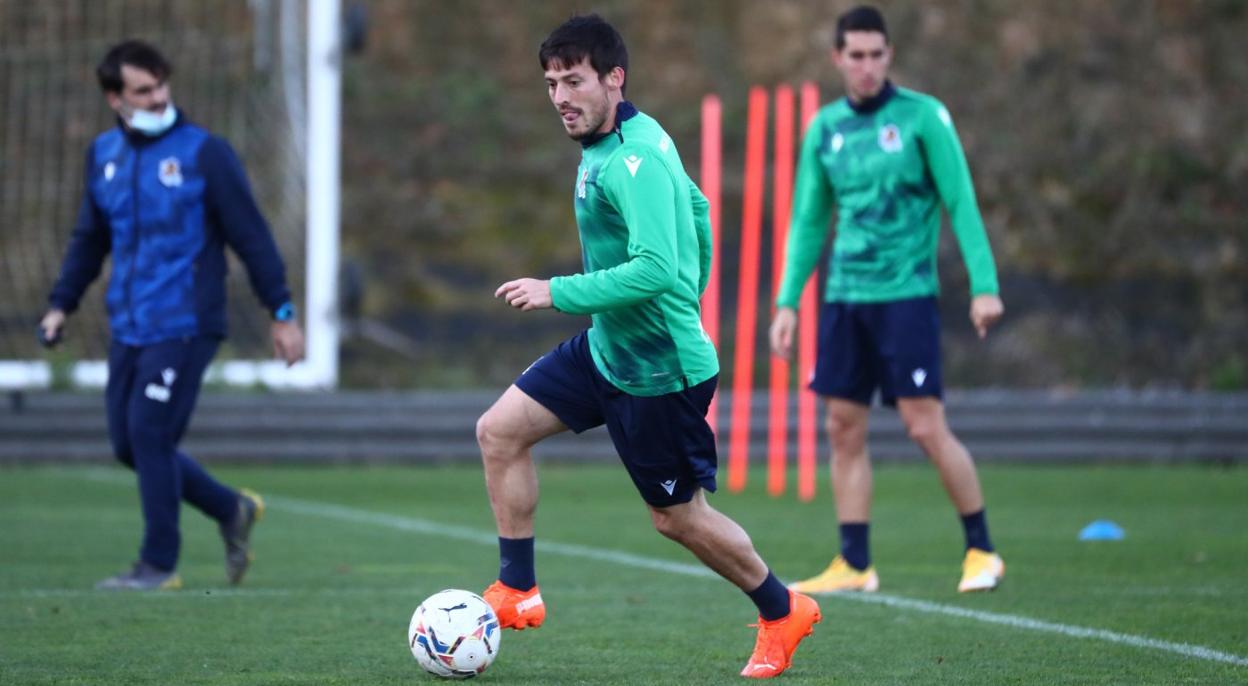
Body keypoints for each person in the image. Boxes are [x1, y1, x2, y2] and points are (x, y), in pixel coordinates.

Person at [478, 15, 820, 678]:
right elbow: (697, 211)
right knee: (499, 432)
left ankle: (784, 610)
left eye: (573, 81)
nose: (560, 97)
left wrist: (561, 291)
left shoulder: (631, 161)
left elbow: (657, 267)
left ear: (614, 78)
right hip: (611, 348)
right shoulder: (629, 138)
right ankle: (518, 592)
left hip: (660, 372)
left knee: (677, 519)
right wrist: (686, 291)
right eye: (551, 83)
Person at [40, 40, 305, 591]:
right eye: (143, 90)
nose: (158, 97)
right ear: (116, 98)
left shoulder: (204, 153)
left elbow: (250, 236)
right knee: (127, 444)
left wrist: (281, 311)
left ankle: (157, 564)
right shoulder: (104, 156)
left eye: (162, 85)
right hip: (130, 324)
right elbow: (89, 240)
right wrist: (61, 304)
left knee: (148, 432)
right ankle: (229, 507)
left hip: (187, 322)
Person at [769, 5, 1006, 594]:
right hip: (846, 301)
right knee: (841, 427)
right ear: (838, 58)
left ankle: (981, 550)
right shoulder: (824, 129)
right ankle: (855, 563)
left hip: (907, 297)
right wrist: (787, 301)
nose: (867, 65)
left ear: (889, 55)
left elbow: (962, 202)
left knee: (924, 426)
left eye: (877, 54)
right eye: (857, 55)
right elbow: (807, 220)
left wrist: (984, 287)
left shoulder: (924, 118)